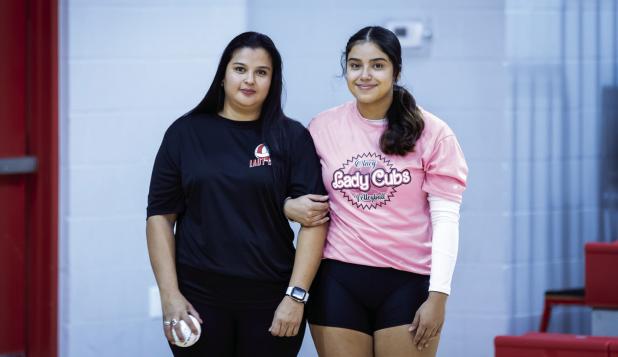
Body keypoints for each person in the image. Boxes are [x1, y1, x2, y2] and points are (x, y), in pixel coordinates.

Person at [284, 26, 468, 357]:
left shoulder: (434, 133)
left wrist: (439, 295)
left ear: (396, 70)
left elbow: (446, 220)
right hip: (337, 280)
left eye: (377, 65)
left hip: (408, 282)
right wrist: (287, 206)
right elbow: (289, 192)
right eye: (355, 65)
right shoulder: (321, 127)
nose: (365, 75)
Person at [146, 31, 328, 357]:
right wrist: (169, 295)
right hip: (198, 297)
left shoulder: (292, 137)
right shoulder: (184, 134)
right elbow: (160, 216)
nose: (250, 80)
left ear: (273, 80)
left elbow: (316, 220)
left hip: (271, 299)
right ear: (223, 74)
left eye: (261, 72)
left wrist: (295, 297)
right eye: (240, 69)